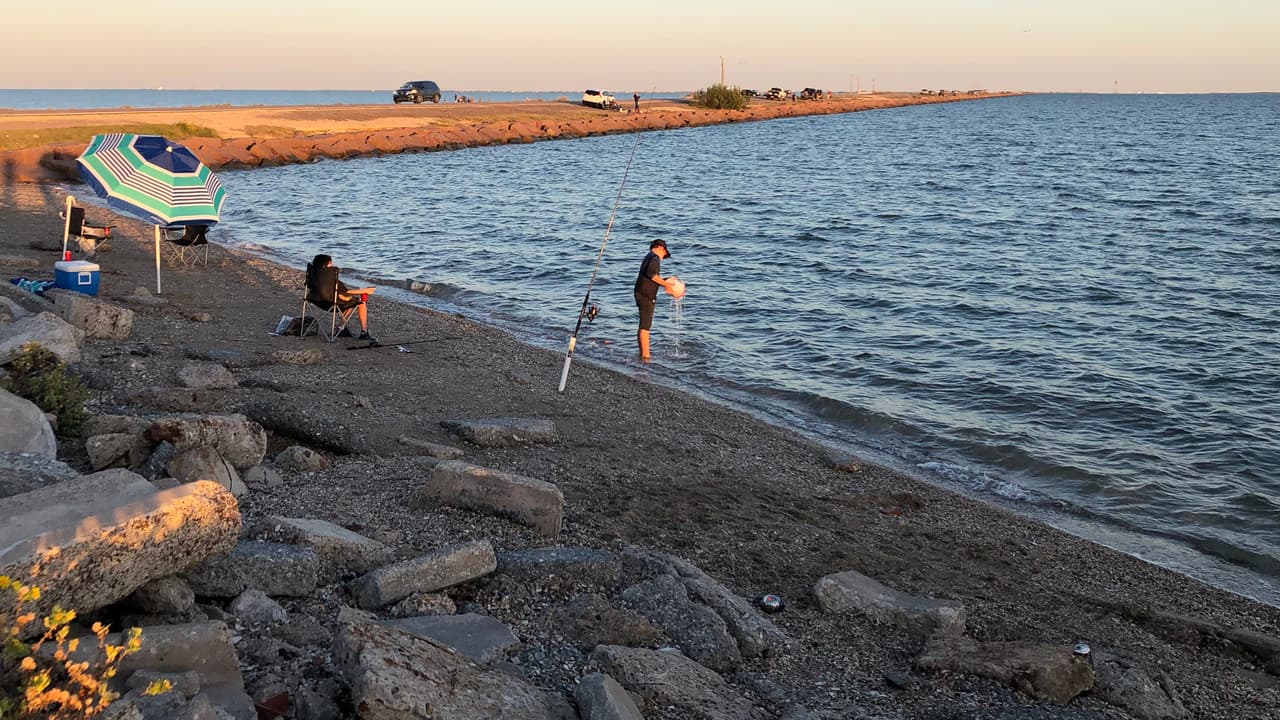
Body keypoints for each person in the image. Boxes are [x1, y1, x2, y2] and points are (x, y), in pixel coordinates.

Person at [310, 253, 377, 341]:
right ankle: (364, 332)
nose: (332, 265)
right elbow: (345, 292)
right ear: (325, 265)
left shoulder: (313, 274)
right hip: (331, 303)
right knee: (360, 302)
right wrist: (365, 291)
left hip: (316, 300)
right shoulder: (330, 277)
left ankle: (340, 327)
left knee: (350, 302)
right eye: (330, 263)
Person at [633, 239, 676, 361]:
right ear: (661, 248)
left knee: (643, 325)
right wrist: (666, 285)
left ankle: (643, 353)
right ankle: (646, 356)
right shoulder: (655, 258)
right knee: (645, 326)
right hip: (646, 295)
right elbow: (652, 275)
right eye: (664, 255)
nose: (663, 258)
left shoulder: (649, 256)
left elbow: (650, 276)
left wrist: (666, 280)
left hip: (641, 292)